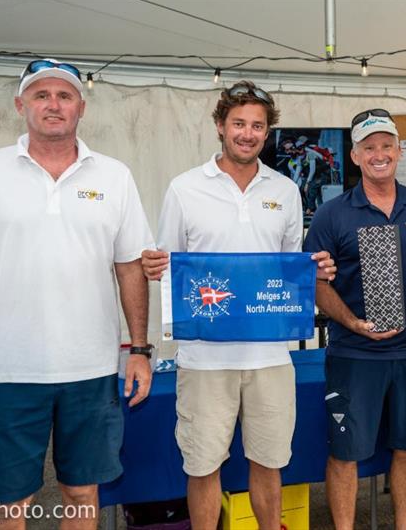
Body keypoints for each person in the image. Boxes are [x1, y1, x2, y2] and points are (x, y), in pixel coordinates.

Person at [0, 58, 154, 528]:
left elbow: (130, 267)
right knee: (9, 500)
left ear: (81, 107)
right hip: (10, 370)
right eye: (41, 95)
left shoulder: (113, 175)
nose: (53, 104)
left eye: (64, 95)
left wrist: (139, 349)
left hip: (91, 370)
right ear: (21, 105)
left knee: (81, 491)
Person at [140, 81, 335, 530]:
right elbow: (168, 262)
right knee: (202, 465)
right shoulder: (184, 188)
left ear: (267, 133)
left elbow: (289, 267)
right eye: (239, 124)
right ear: (220, 126)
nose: (248, 134)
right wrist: (154, 264)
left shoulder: (285, 191)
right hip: (204, 359)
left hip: (270, 358)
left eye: (257, 126)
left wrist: (315, 269)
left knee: (269, 463)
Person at [303, 109, 406, 530]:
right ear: (354, 156)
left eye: (387, 145)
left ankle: (404, 525)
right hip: (354, 356)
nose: (379, 154)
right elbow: (315, 283)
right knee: (345, 453)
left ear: (399, 150)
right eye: (369, 147)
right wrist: (351, 321)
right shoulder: (331, 215)